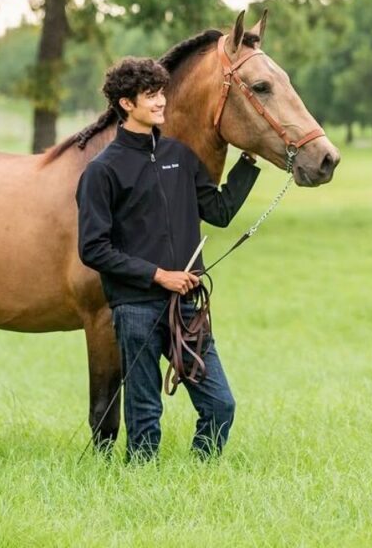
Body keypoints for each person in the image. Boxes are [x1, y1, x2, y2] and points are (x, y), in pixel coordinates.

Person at [75, 57, 261, 461]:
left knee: (220, 405)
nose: (161, 102)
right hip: (136, 309)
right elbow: (93, 248)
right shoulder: (102, 171)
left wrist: (248, 160)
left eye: (161, 92)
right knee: (144, 413)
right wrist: (159, 275)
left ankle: (198, 475)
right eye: (150, 95)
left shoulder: (180, 156)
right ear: (126, 104)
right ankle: (143, 490)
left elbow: (220, 211)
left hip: (186, 306)